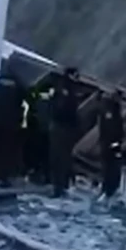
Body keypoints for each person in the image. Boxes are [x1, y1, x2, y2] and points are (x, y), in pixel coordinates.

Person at [45, 67, 80, 197]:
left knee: (60, 157)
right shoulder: (66, 90)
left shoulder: (65, 89)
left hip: (61, 127)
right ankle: (60, 186)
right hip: (62, 127)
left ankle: (60, 185)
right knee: (60, 157)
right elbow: (63, 109)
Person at [97, 89, 125, 198]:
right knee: (111, 166)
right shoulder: (110, 109)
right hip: (110, 143)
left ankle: (109, 189)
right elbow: (111, 128)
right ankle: (108, 189)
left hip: (110, 142)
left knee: (111, 166)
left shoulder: (112, 108)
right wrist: (115, 142)